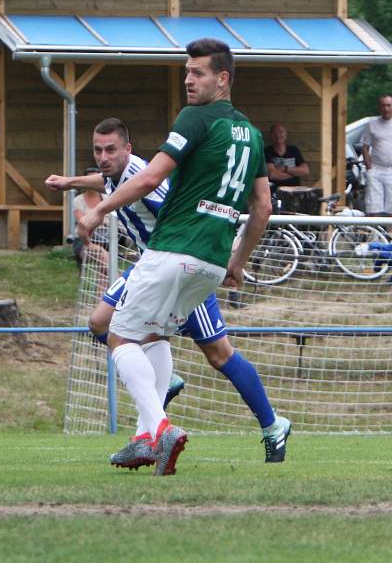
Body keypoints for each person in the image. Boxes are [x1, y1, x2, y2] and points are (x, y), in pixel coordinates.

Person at [75, 38, 289, 476]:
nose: (188, 80)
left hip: (174, 249)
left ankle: (158, 428)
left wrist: (98, 208)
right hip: (211, 262)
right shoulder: (251, 133)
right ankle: (147, 433)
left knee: (118, 335)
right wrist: (237, 262)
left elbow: (152, 176)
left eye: (198, 73)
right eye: (187, 72)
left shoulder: (195, 117)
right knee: (149, 335)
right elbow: (262, 207)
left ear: (222, 78)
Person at [71, 166, 108, 272]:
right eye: (90, 180)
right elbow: (83, 222)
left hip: (107, 236)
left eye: (95, 180)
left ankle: (109, 281)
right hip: (85, 237)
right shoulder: (78, 200)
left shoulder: (107, 198)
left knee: (104, 264)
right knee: (101, 257)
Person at [360, 94, 392, 216]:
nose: (386, 109)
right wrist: (369, 166)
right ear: (379, 108)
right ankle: (374, 234)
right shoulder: (372, 124)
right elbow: (365, 147)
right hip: (376, 169)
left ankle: (389, 234)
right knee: (374, 205)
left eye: (389, 105)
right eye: (383, 106)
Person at [264, 123, 309, 188]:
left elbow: (305, 171)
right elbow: (272, 175)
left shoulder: (294, 150)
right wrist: (295, 173)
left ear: (286, 134)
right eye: (275, 133)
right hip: (275, 191)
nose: (278, 135)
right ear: (271, 135)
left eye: (281, 132)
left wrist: (285, 169)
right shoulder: (267, 151)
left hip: (294, 190)